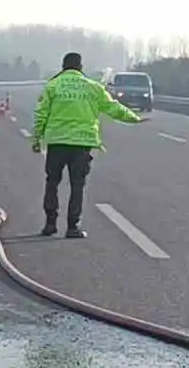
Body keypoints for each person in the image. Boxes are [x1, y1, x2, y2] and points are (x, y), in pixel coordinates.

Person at [31, 51, 145, 238]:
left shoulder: (53, 86)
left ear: (63, 67)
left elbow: (41, 115)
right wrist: (134, 118)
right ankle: (72, 227)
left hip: (57, 143)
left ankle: (50, 224)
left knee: (52, 182)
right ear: (81, 67)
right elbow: (113, 107)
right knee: (78, 186)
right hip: (82, 144)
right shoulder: (93, 87)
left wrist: (36, 140)